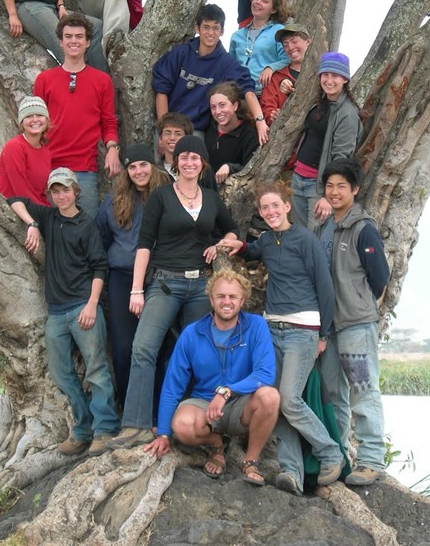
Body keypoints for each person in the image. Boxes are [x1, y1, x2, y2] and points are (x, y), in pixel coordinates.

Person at [106, 136, 239, 450]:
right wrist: (137, 290)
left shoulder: (211, 198)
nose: (189, 163)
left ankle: (183, 427)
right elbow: (143, 244)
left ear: (202, 163)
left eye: (195, 158)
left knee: (193, 356)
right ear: (175, 162)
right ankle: (135, 425)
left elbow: (232, 230)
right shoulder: (161, 196)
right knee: (143, 348)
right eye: (183, 158)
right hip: (165, 282)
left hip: (199, 287)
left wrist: (220, 244)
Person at [220, 181, 344, 496]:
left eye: (276, 205)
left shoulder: (305, 239)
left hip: (303, 331)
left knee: (289, 399)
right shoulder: (266, 239)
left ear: (287, 206)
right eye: (265, 208)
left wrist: (322, 334)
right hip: (271, 330)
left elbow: (325, 287)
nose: (271, 212)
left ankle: (330, 453)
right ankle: (292, 472)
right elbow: (253, 251)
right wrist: (239, 246)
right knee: (274, 401)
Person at [7, 167, 120, 456]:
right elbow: (13, 197)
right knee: (61, 373)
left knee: (96, 370)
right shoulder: (48, 217)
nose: (61, 195)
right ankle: (83, 430)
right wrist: (32, 224)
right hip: (56, 312)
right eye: (55, 191)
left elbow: (100, 267)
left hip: (83, 305)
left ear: (75, 192)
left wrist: (93, 304)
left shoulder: (86, 224)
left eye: (65, 190)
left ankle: (105, 429)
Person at [145, 269, 280, 486]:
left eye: (233, 296)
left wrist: (226, 391)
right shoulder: (192, 333)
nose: (227, 302)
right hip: (204, 404)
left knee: (270, 397)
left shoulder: (256, 326)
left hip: (240, 404)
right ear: (211, 299)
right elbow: (173, 385)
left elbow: (265, 373)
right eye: (221, 296)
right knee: (181, 425)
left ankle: (251, 460)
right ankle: (217, 447)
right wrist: (163, 433)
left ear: (242, 300)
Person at [317, 158, 390, 486]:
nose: (334, 192)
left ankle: (372, 459)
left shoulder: (364, 228)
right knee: (334, 393)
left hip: (356, 326)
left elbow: (380, 277)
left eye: (341, 186)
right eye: (329, 186)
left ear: (355, 190)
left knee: (363, 390)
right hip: (328, 329)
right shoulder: (324, 227)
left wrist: (359, 305)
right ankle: (342, 457)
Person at [96, 144, 170, 406]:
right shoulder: (114, 200)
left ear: (153, 165)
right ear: (126, 171)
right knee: (124, 345)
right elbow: (102, 237)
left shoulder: (168, 194)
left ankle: (158, 410)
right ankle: (129, 407)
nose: (139, 171)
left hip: (159, 279)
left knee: (157, 345)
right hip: (122, 279)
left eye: (143, 165)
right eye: (133, 167)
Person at [33, 13, 121, 218]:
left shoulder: (102, 81)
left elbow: (108, 121)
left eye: (79, 36)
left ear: (88, 42)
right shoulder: (44, 80)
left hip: (84, 169)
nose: (74, 41)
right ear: (61, 42)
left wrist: (112, 148)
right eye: (69, 36)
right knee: (54, 232)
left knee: (87, 228)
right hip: (50, 167)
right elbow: (34, 125)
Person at [152, 4, 269, 145]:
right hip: (169, 126)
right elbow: (161, 89)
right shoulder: (181, 53)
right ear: (197, 28)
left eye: (215, 28)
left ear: (222, 31)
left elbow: (248, 91)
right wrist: (164, 130)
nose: (210, 33)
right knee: (160, 164)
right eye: (206, 27)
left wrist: (260, 121)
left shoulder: (227, 63)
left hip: (196, 130)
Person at [290, 52, 362, 231]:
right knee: (300, 236)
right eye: (325, 74)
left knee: (315, 240)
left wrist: (327, 195)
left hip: (317, 186)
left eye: (335, 76)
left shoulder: (347, 114)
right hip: (298, 178)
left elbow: (341, 158)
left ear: (345, 79)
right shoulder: (319, 103)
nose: (329, 80)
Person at [229, 0, 291, 95]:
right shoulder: (236, 36)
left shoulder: (279, 31)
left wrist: (271, 68)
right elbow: (230, 66)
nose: (258, 2)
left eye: (265, 1)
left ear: (273, 9)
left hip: (265, 93)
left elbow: (288, 59)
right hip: (238, 94)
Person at [0, 95, 51, 205]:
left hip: (35, 208)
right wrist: (46, 214)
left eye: (40, 115)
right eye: (29, 116)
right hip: (15, 209)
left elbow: (41, 194)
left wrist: (52, 213)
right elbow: (21, 191)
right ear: (22, 122)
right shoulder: (15, 147)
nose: (35, 120)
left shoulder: (46, 153)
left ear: (46, 119)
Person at [205, 81, 259, 185]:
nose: (218, 111)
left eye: (222, 105)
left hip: (232, 189)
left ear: (235, 106)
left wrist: (230, 167)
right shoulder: (209, 126)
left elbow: (251, 169)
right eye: (213, 107)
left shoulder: (248, 135)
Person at [260, 24, 312, 125]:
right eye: (285, 44)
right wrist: (273, 115)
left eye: (294, 41)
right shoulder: (275, 78)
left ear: (308, 41)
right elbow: (267, 110)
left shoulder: (322, 75)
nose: (290, 47)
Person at [157, 112, 217, 190]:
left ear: (187, 138)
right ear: (160, 139)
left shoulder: (203, 169)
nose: (172, 137)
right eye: (167, 133)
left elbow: (213, 198)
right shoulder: (155, 171)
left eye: (178, 134)